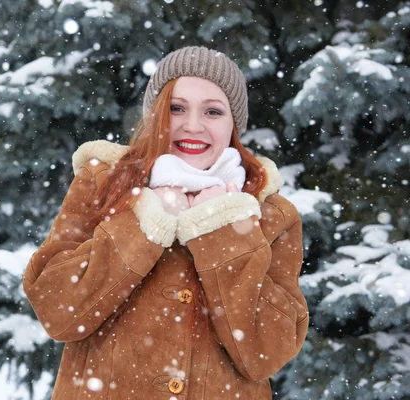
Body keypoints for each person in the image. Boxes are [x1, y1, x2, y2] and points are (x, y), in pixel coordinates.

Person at [23, 46, 309, 399]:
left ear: (233, 123)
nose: (193, 125)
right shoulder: (103, 184)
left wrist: (220, 227)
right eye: (176, 108)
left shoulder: (270, 213)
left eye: (213, 111)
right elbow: (58, 312)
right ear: (155, 114)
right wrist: (146, 220)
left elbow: (265, 353)